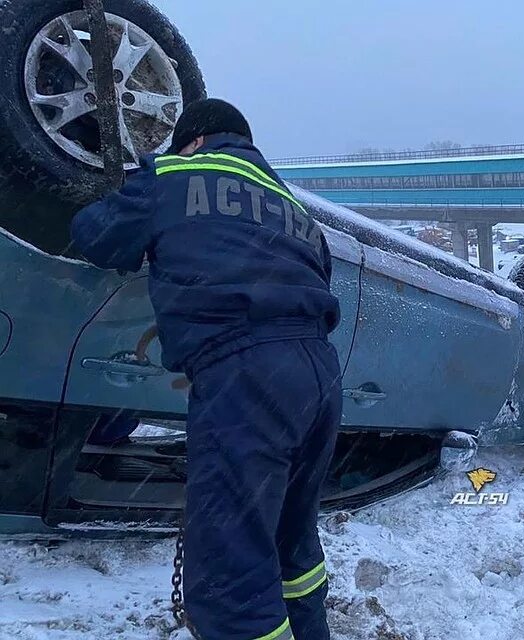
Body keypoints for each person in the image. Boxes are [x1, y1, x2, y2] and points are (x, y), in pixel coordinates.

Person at [71, 98, 341, 640]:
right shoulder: (295, 209)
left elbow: (94, 236)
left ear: (193, 141)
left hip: (247, 375)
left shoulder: (170, 175)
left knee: (228, 577)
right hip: (319, 374)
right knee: (292, 538)